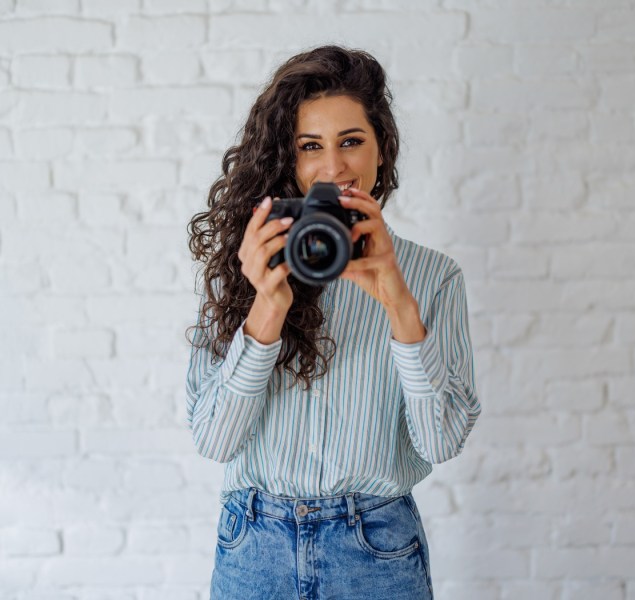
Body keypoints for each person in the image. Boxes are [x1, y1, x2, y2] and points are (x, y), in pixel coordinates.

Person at [185, 45, 481, 600]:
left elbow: (440, 442)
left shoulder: (433, 276)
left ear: (381, 149)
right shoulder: (245, 264)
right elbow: (215, 440)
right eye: (310, 147)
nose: (333, 167)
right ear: (287, 160)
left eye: (351, 141)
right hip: (255, 548)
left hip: (375, 549)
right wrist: (267, 303)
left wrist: (398, 302)